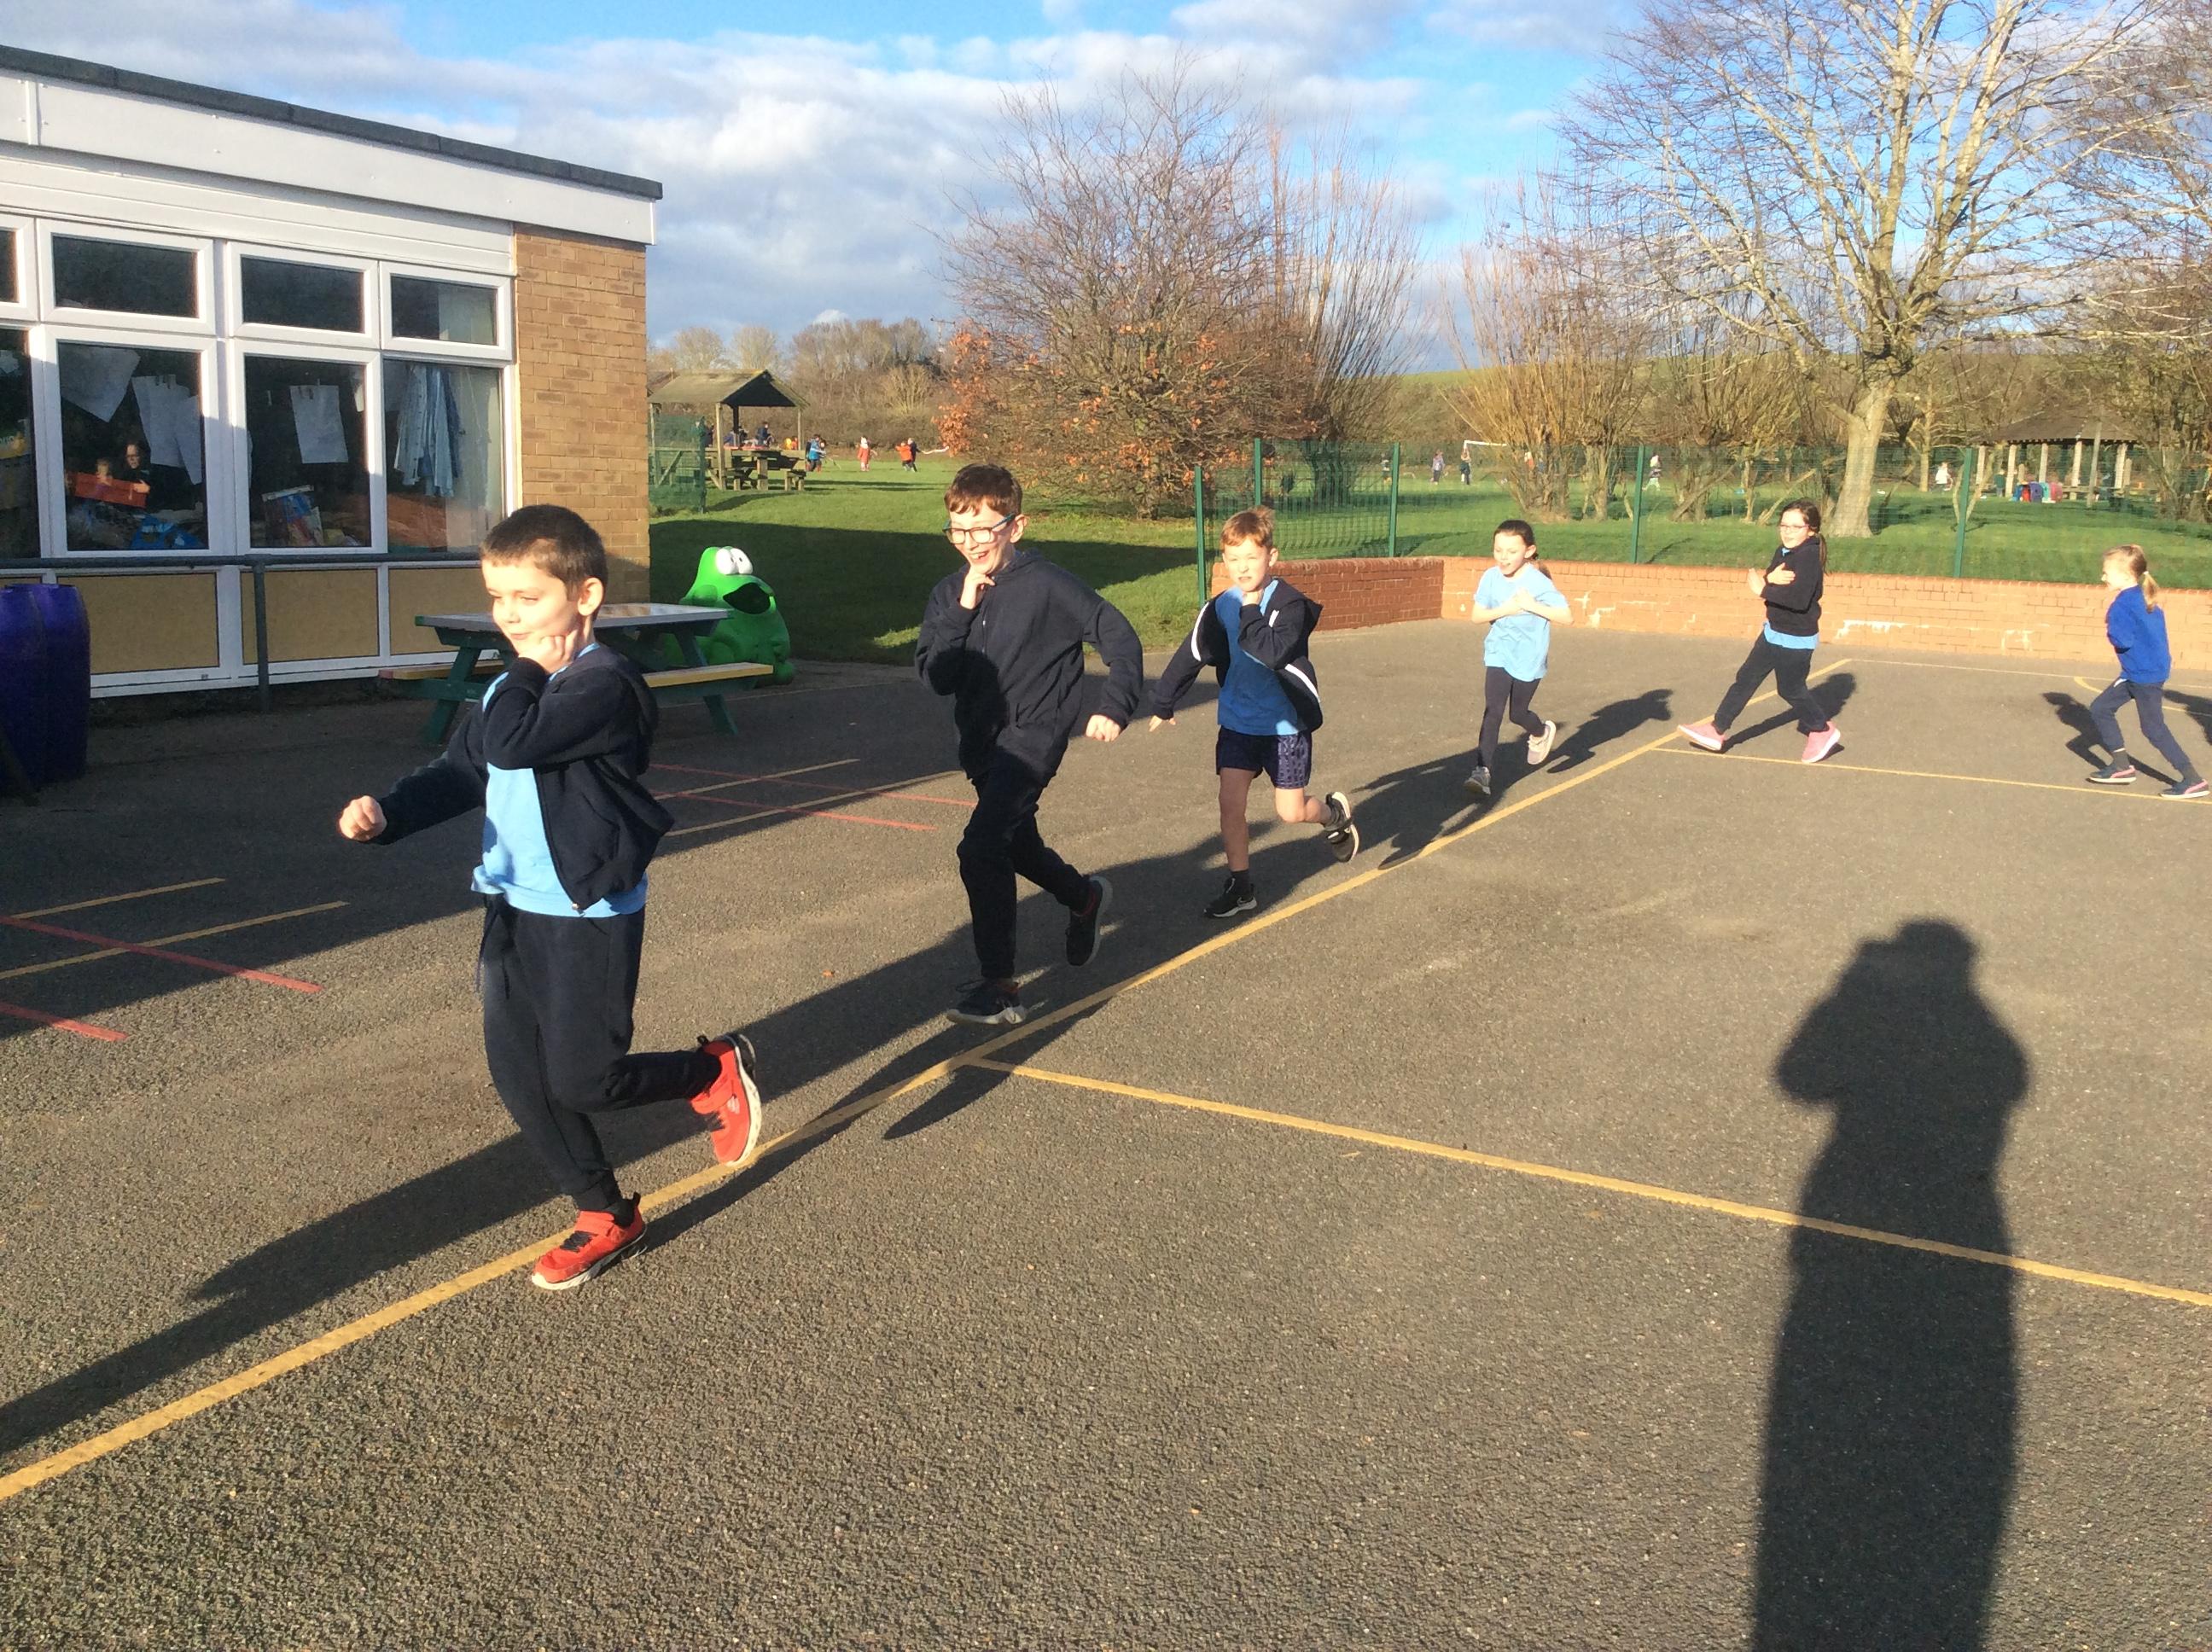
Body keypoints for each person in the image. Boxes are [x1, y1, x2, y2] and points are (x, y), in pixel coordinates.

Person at [335, 504, 765, 1292]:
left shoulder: (606, 684)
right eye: (498, 598)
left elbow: (514, 744)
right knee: (522, 1077)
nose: (508, 615)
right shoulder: (512, 686)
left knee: (584, 1079)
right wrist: (389, 815)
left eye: (527, 598)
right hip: (512, 903)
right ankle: (605, 1213)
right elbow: (465, 770)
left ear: (586, 596)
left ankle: (704, 1072)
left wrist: (529, 670)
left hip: (584, 911)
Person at [917, 463, 1143, 1025]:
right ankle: (1084, 898)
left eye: (983, 529)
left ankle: (1000, 987)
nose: (971, 542)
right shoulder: (948, 594)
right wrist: (962, 610)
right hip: (982, 746)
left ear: (1015, 527)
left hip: (1032, 739)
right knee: (1016, 846)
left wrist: (1114, 704)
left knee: (980, 848)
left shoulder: (1049, 586)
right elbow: (937, 677)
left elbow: (1118, 636)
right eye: (958, 530)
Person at [1149, 508, 1358, 917]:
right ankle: (1241, 887)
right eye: (1233, 559)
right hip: (1238, 722)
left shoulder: (1289, 605)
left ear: (1271, 557)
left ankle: (1333, 815)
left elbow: (1272, 652)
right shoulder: (1220, 606)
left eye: (1251, 557)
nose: (1242, 568)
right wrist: (1164, 701)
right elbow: (1192, 652)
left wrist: (1250, 610)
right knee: (1230, 804)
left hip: (1284, 727)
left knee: (1290, 812)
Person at [1678, 498, 1842, 764]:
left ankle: (1821, 729)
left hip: (1796, 638)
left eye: (1795, 527)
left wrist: (1763, 589)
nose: (1787, 532)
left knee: (1790, 689)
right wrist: (1769, 580)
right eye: (1783, 525)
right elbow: (1774, 582)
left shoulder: (1808, 558)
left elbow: (1799, 600)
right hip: (1773, 631)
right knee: (1746, 678)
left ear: (1811, 530)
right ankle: (1716, 730)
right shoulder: (1784, 551)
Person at [2084, 544, 2205, 798]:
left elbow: (2123, 640)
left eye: (2107, 572)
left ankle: (2193, 779)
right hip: (2143, 671)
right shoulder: (2143, 596)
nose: (2103, 577)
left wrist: (2110, 628)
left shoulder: (2122, 606)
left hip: (2142, 676)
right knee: (2101, 708)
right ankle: (2121, 767)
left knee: (2153, 729)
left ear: (2126, 575)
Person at [1464, 519, 1570, 798]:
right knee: (1493, 710)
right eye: (1498, 550)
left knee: (1518, 713)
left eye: (1511, 551)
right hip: (1499, 652)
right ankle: (1482, 771)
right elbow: (1477, 616)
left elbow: (1567, 616)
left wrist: (1531, 605)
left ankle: (1540, 732)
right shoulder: (1490, 577)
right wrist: (1507, 609)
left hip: (1529, 657)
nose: (1503, 557)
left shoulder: (1538, 582)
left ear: (1529, 551)